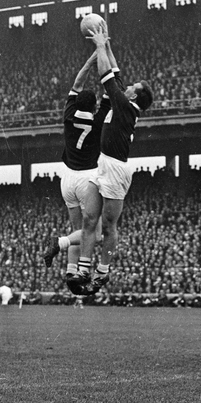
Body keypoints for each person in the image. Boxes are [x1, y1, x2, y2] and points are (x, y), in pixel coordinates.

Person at [70, 22, 154, 293]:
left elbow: (107, 74)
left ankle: (102, 271)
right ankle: (83, 269)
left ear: (135, 95)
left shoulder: (127, 107)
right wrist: (106, 43)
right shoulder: (124, 101)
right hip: (102, 163)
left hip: (116, 169)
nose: (126, 85)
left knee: (108, 224)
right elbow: (115, 72)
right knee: (89, 219)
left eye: (132, 85)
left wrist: (98, 46)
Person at [42, 50, 110, 294]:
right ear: (94, 106)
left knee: (77, 230)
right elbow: (109, 86)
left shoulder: (68, 115)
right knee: (96, 233)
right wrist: (104, 54)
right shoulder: (99, 120)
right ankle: (60, 246)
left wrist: (91, 59)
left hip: (67, 178)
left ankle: (71, 272)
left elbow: (77, 83)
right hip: (87, 178)